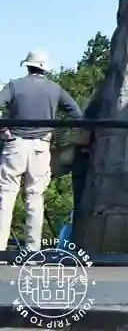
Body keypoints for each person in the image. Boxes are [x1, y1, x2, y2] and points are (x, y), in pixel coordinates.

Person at [0, 51, 82, 255]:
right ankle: (32, 251)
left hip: (14, 144)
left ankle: (0, 249)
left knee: (6, 197)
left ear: (27, 66)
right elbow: (75, 112)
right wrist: (58, 131)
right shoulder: (55, 89)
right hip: (40, 146)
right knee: (35, 198)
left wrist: (4, 131)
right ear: (45, 68)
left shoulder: (14, 86)